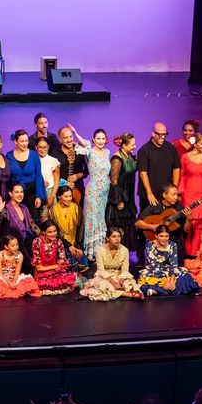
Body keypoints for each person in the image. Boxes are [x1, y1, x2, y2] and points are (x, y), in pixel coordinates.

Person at [69, 126, 111, 259]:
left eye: (103, 138)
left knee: (101, 219)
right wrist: (75, 133)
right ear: (93, 139)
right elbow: (83, 143)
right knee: (92, 219)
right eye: (98, 138)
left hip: (104, 191)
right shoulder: (89, 152)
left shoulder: (108, 152)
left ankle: (100, 250)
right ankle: (90, 253)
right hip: (93, 192)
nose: (100, 141)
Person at [81, 227, 143, 301]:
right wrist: (114, 283)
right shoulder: (100, 250)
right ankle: (129, 295)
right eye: (114, 236)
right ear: (107, 238)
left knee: (129, 284)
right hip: (104, 276)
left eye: (119, 236)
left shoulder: (124, 250)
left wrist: (121, 281)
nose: (117, 239)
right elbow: (101, 270)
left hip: (119, 275)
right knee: (102, 287)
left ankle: (118, 292)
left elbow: (125, 269)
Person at [137, 225, 198, 297]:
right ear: (156, 236)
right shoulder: (150, 245)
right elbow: (154, 266)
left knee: (186, 277)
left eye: (166, 236)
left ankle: (158, 291)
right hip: (153, 271)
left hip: (168, 270)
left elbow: (174, 264)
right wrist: (166, 281)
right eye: (161, 236)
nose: (164, 239)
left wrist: (171, 280)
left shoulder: (173, 245)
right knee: (147, 280)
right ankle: (164, 289)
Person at [137, 123, 181, 208]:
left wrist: (173, 191)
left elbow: (176, 169)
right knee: (149, 219)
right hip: (150, 194)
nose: (163, 137)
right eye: (160, 134)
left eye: (165, 134)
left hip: (167, 195)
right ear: (153, 134)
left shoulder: (171, 148)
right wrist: (149, 193)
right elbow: (143, 173)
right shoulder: (144, 150)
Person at [108, 133, 140, 248]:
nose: (135, 146)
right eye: (132, 144)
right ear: (124, 145)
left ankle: (125, 254)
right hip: (120, 197)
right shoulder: (117, 158)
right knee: (120, 225)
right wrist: (119, 200)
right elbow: (114, 181)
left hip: (129, 196)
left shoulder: (129, 155)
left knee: (129, 225)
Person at [6, 129, 47, 219]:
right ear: (15, 142)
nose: (25, 143)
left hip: (32, 194)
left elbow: (39, 176)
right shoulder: (8, 156)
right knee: (18, 219)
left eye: (26, 140)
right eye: (22, 141)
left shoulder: (34, 155)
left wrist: (39, 196)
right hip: (17, 194)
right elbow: (7, 177)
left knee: (33, 218)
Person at [32, 221, 79, 295]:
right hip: (42, 274)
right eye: (49, 232)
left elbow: (62, 262)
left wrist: (57, 266)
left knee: (71, 282)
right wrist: (56, 266)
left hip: (55, 273)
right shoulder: (37, 242)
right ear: (44, 232)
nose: (53, 234)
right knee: (43, 286)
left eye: (55, 231)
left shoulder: (58, 241)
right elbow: (39, 268)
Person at [0, 234, 41, 299]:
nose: (16, 247)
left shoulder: (20, 255)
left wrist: (14, 282)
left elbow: (17, 272)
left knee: (29, 280)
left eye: (17, 245)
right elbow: (0, 273)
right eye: (12, 245)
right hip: (3, 278)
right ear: (6, 246)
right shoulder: (0, 255)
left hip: (14, 277)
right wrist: (9, 282)